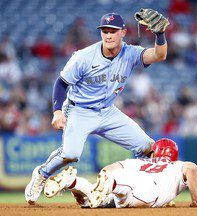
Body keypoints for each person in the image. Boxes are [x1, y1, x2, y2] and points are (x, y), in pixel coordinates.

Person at [25, 10, 168, 205]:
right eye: (105, 31)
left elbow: (159, 55)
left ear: (123, 32)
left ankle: (145, 191)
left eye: (113, 31)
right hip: (79, 110)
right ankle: (41, 174)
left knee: (148, 147)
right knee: (70, 154)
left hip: (108, 111)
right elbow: (61, 83)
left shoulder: (130, 53)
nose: (108, 35)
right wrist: (57, 111)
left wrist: (160, 34)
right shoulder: (84, 56)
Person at [44, 138, 197, 208]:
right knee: (119, 190)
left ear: (155, 153)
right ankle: (109, 185)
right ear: (174, 155)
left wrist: (107, 180)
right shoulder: (177, 165)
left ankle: (73, 182)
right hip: (147, 190)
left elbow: (106, 170)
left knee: (94, 202)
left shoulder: (140, 161)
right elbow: (192, 169)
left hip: (125, 181)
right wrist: (195, 201)